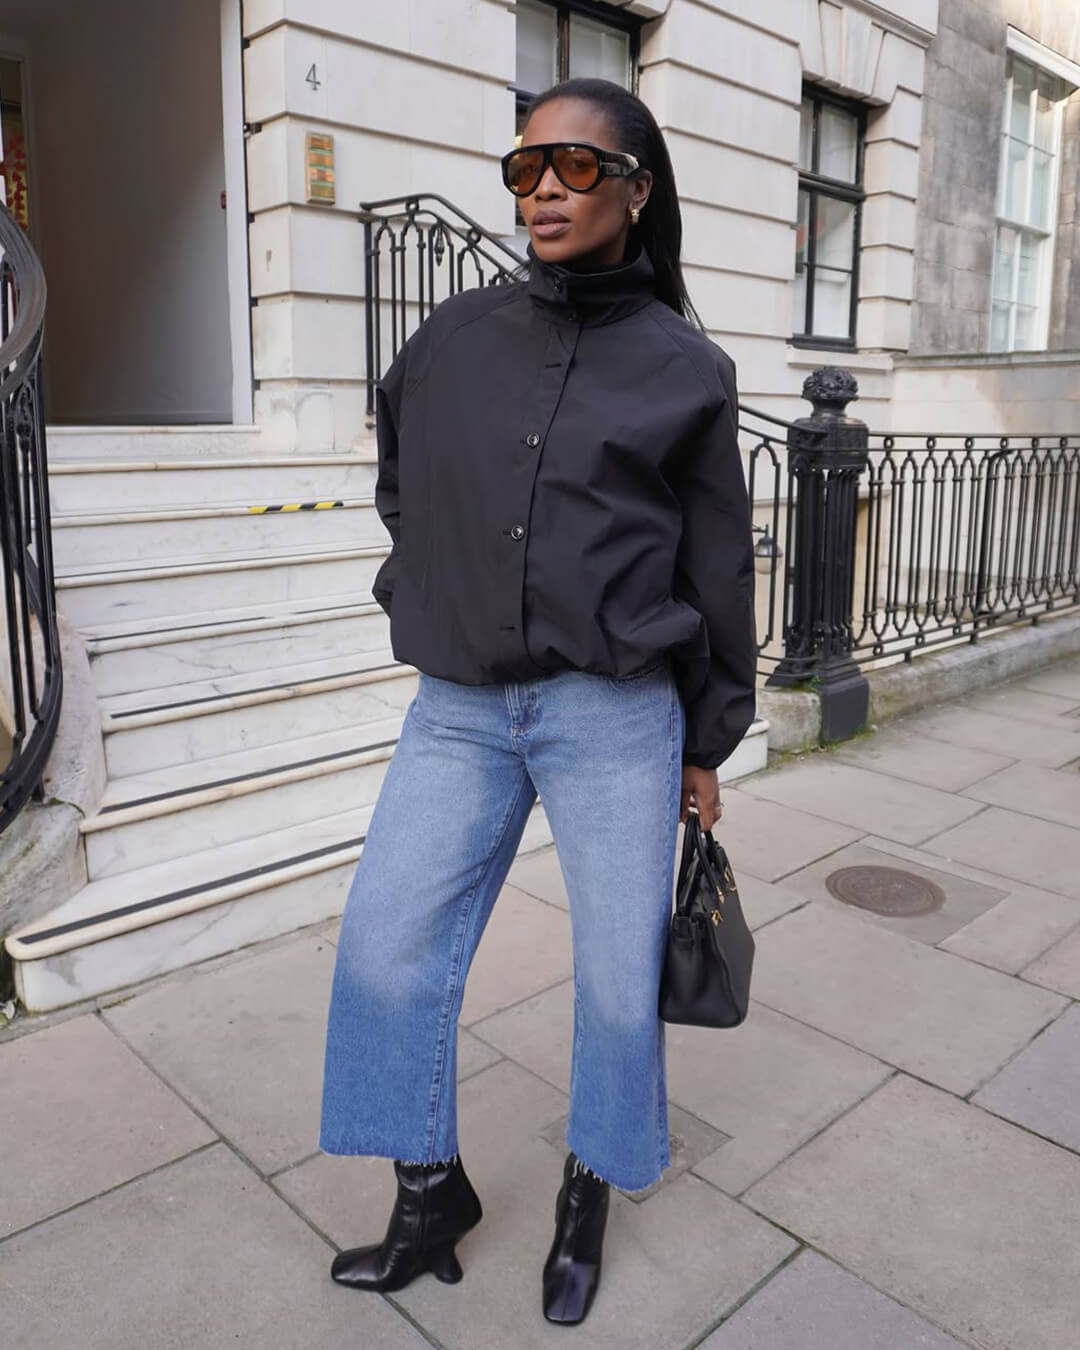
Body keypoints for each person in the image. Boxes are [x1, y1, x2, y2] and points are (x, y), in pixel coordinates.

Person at [319, 76, 756, 1327]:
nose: (544, 191)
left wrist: (708, 739)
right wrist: (423, 584)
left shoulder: (687, 369)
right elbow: (403, 475)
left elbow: (716, 566)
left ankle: (586, 1190)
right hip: (459, 707)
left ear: (636, 190)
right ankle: (428, 1193)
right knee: (385, 944)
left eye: (574, 167)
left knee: (617, 981)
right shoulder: (453, 337)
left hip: (612, 714)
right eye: (524, 170)